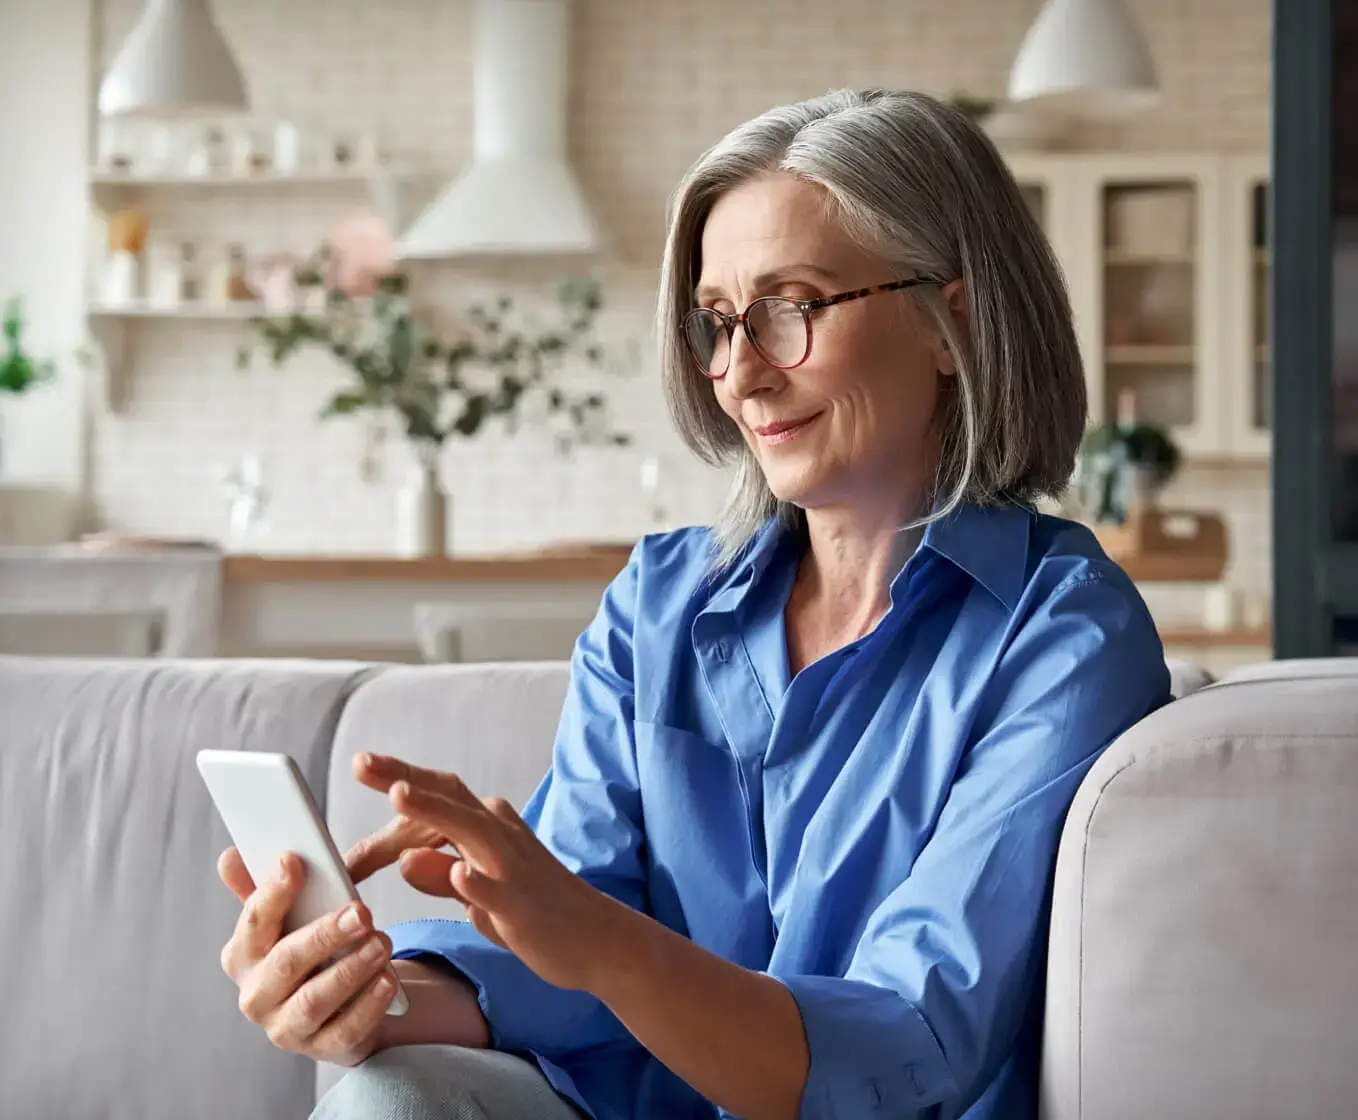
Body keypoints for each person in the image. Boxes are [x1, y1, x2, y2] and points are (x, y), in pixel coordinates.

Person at [216, 88, 1170, 1120]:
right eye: (716, 323)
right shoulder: (658, 604)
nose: (739, 375)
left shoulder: (1062, 632)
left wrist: (594, 940)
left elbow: (911, 1041)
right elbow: (561, 959)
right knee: (382, 1094)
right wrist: (365, 995)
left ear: (953, 322)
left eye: (789, 307)